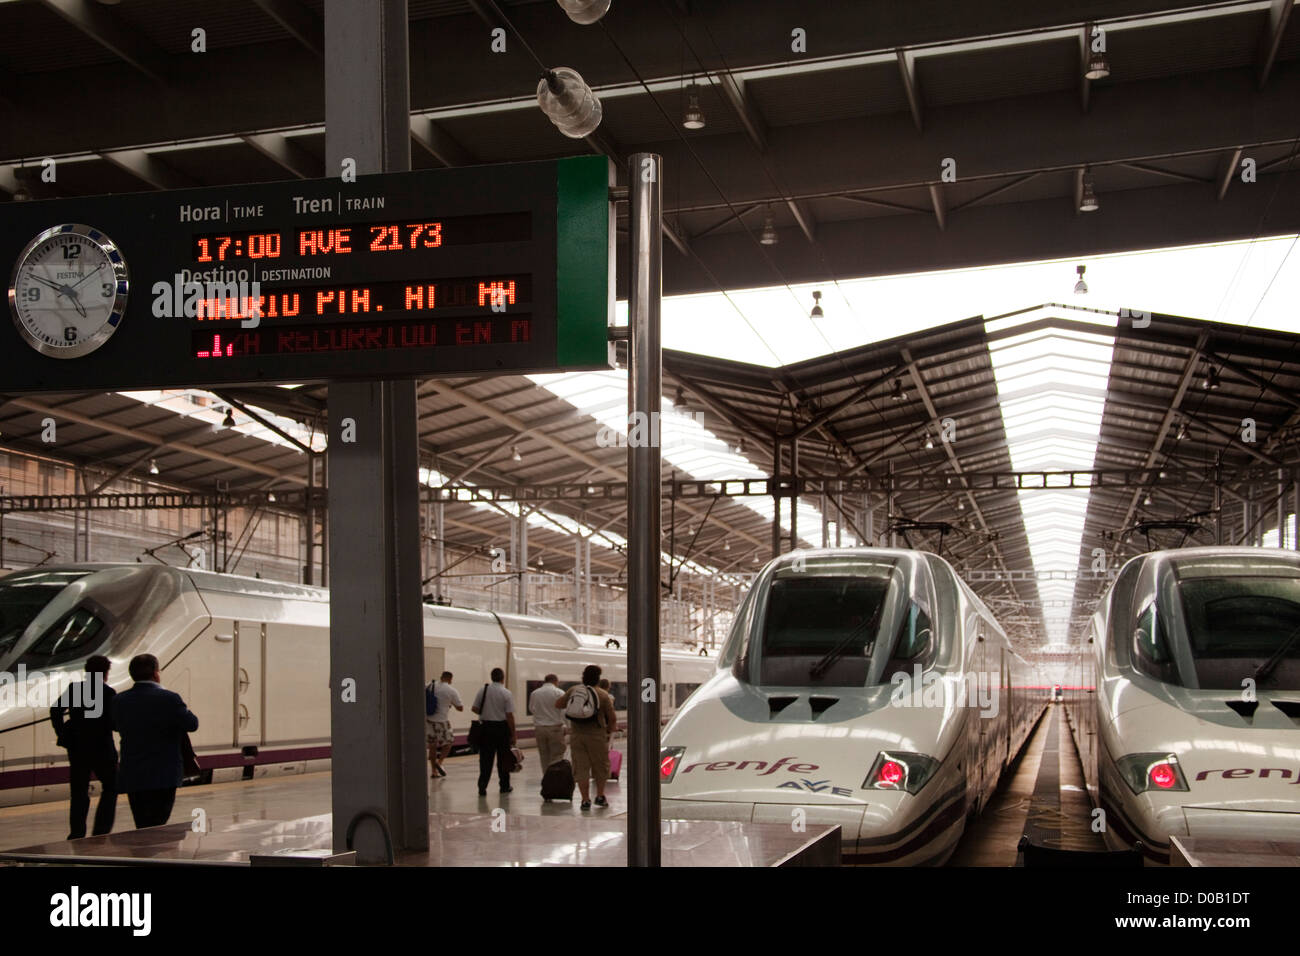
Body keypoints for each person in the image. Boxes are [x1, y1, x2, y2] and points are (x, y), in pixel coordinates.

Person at [112, 653, 199, 829]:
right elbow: (192, 724)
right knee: (158, 823)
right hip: (164, 773)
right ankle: (149, 853)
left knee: (142, 823)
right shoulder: (169, 698)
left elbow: (115, 725)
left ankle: (142, 853)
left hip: (133, 772)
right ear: (156, 673)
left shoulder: (119, 700)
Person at [49, 655, 118, 839]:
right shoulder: (108, 693)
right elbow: (113, 722)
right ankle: (101, 830)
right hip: (102, 746)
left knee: (79, 790)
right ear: (105, 672)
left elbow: (55, 711)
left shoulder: (75, 689)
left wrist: (63, 732)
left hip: (77, 746)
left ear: (87, 671)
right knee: (111, 786)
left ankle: (77, 832)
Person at [556, 664, 616, 811]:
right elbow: (612, 718)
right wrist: (608, 733)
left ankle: (585, 800)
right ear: (598, 678)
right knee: (600, 767)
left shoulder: (574, 690)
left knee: (581, 768)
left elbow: (558, 704)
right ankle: (600, 796)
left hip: (577, 736)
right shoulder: (603, 695)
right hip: (597, 736)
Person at [471, 667, 515, 796]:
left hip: (485, 728)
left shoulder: (483, 690)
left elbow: (474, 708)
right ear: (503, 678)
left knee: (485, 759)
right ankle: (504, 786)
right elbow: (509, 715)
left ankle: (482, 787)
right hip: (501, 728)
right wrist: (513, 734)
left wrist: (486, 712)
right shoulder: (506, 693)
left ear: (491, 677)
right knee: (503, 759)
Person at [427, 671, 463, 778]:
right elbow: (460, 708)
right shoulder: (451, 690)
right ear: (450, 679)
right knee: (449, 742)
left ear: (441, 677)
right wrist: (449, 703)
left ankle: (434, 771)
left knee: (432, 746)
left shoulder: (429, 685)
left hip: (428, 720)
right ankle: (440, 762)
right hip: (442, 721)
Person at [528, 674, 566, 770]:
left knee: (544, 756)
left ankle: (546, 779)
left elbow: (532, 709)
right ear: (555, 681)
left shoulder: (535, 693)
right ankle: (555, 778)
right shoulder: (559, 693)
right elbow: (564, 711)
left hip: (539, 729)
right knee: (557, 756)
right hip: (555, 728)